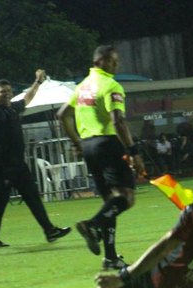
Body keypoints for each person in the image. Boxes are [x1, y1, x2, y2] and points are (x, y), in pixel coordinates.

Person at [58, 45, 145, 270]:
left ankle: (110, 257)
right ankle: (92, 225)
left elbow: (63, 115)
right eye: (112, 61)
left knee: (110, 203)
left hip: (89, 147)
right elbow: (118, 121)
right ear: (100, 61)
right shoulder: (110, 85)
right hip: (107, 144)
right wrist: (134, 152)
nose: (116, 65)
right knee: (126, 197)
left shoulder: (83, 86)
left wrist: (77, 142)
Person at [0, 65, 71, 248]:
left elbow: (27, 98)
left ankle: (49, 230)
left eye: (8, 91)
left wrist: (37, 81)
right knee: (0, 201)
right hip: (2, 165)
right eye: (2, 92)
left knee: (33, 197)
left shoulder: (13, 108)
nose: (6, 94)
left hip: (18, 164)